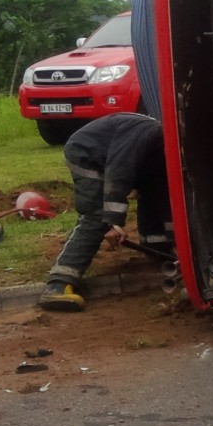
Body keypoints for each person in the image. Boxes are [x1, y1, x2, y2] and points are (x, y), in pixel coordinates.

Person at [39, 112, 173, 312]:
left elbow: (162, 196)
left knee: (152, 191)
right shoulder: (147, 134)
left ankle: (158, 249)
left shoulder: (162, 151)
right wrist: (113, 223)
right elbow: (118, 172)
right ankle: (59, 283)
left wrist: (175, 241)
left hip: (112, 158)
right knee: (96, 216)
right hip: (88, 154)